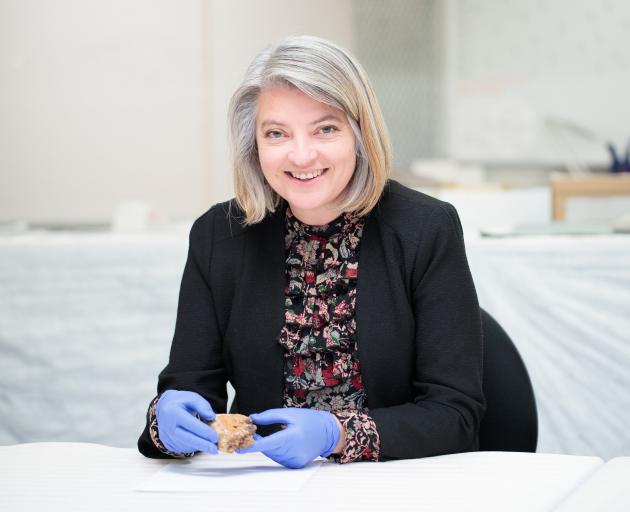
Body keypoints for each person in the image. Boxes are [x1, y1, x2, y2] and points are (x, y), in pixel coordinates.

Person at [138, 35, 484, 469]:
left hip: (393, 482)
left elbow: (456, 416)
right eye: (277, 133)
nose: (302, 156)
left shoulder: (424, 228)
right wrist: (165, 422)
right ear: (254, 145)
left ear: (360, 134)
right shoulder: (218, 235)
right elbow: (189, 395)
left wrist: (335, 435)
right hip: (266, 485)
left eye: (326, 128)